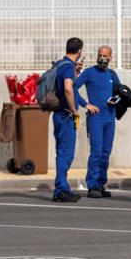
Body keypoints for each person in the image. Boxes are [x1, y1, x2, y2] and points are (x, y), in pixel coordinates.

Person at [74, 45, 120, 199]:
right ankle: (92, 185)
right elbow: (72, 89)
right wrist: (86, 104)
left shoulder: (112, 75)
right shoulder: (89, 73)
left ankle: (101, 183)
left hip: (110, 118)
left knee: (106, 153)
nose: (102, 58)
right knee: (97, 152)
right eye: (100, 55)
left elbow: (120, 93)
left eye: (105, 55)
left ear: (111, 58)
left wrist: (117, 100)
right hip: (96, 119)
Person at [51, 37, 84, 203]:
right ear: (79, 51)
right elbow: (68, 89)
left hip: (58, 115)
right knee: (66, 153)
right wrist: (74, 109)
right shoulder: (68, 67)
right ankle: (61, 189)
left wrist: (76, 73)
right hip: (66, 115)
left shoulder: (60, 64)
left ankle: (61, 187)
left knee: (61, 152)